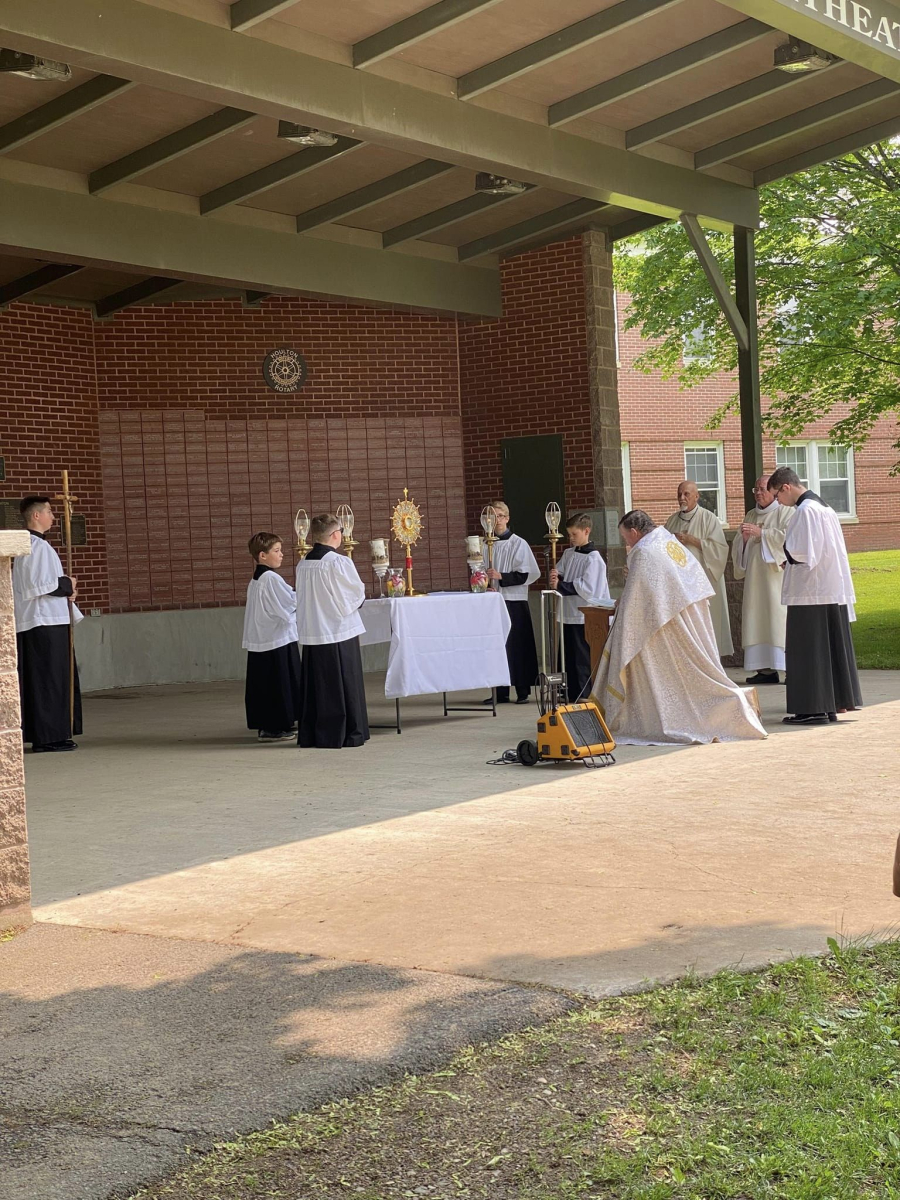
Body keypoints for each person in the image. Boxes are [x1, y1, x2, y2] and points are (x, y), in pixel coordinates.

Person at [592, 510, 766, 745]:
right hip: (685, 617)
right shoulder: (666, 540)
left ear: (634, 532)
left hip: (665, 628)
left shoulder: (644, 550)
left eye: (626, 538)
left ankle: (731, 704)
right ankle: (734, 703)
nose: (627, 544)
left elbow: (635, 602)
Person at [767, 466, 862, 725]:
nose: (779, 502)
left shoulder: (805, 511)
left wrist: (784, 554)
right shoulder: (825, 508)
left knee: (808, 650)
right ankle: (830, 704)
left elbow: (800, 552)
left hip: (810, 593)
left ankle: (812, 708)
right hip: (828, 589)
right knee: (827, 648)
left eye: (777, 496)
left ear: (786, 487)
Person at [12, 495, 83, 752]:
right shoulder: (34, 547)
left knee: (53, 679)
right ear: (36, 516)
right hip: (43, 624)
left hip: (47, 621)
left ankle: (54, 733)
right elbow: (38, 586)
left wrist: (65, 587)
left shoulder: (37, 546)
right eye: (50, 512)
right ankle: (47, 736)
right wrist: (67, 584)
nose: (54, 516)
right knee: (48, 680)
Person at [295, 513, 369, 749]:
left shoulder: (303, 563)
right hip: (338, 632)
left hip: (313, 632)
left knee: (318, 686)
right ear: (336, 535)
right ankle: (349, 733)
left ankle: (317, 734)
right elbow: (353, 594)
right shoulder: (338, 562)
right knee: (344, 683)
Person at [730, 474, 794, 685]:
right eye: (755, 489)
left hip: (776, 579)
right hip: (756, 581)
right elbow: (740, 544)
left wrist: (762, 533)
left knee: (778, 621)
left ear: (773, 491)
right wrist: (745, 540)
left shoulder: (786, 512)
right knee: (756, 619)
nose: (758, 493)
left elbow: (789, 538)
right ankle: (765, 670)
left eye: (762, 489)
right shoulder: (750, 514)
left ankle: (789, 669)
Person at [242, 532, 301, 742]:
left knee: (266, 684)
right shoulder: (270, 578)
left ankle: (270, 724)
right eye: (276, 551)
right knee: (279, 683)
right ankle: (275, 726)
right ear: (262, 555)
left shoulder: (258, 578)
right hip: (276, 639)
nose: (282, 555)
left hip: (263, 639)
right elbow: (289, 604)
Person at [665, 481, 733, 657]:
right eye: (679, 494)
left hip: (703, 580)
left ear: (697, 496)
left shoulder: (709, 518)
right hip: (680, 583)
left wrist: (692, 540)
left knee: (705, 623)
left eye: (686, 494)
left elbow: (720, 549)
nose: (682, 498)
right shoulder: (672, 521)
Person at [482, 500, 540, 705]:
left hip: (513, 601)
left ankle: (522, 690)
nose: (494, 520)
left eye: (498, 515)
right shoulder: (484, 544)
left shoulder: (518, 543)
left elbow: (528, 573)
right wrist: (484, 583)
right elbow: (479, 570)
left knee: (517, 646)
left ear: (506, 518)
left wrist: (501, 576)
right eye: (490, 516)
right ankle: (500, 691)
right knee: (497, 646)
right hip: (493, 601)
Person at [549, 512, 611, 702]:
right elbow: (560, 571)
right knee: (567, 656)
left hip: (585, 615)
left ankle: (584, 694)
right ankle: (569, 692)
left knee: (581, 658)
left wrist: (560, 585)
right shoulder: (569, 553)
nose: (571, 538)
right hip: (567, 612)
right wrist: (554, 576)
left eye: (574, 534)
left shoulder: (594, 559)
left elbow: (588, 589)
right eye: (569, 534)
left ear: (586, 531)